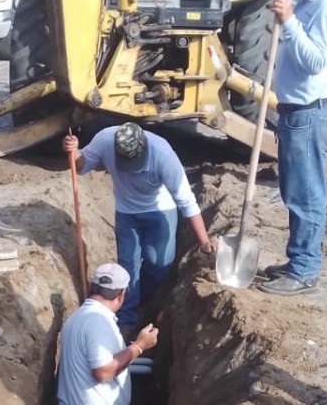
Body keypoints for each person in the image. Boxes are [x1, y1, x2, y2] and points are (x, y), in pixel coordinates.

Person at [258, 0, 327, 296]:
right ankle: (298, 258)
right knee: (293, 189)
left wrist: (290, 23)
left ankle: (305, 269)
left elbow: (316, 64)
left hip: (312, 113)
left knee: (306, 193)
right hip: (297, 113)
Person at [62, 123, 215, 333]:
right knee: (128, 268)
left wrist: (204, 241)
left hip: (160, 211)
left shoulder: (163, 155)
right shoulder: (105, 139)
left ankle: (144, 305)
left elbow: (187, 202)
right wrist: (74, 151)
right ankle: (126, 320)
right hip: (126, 212)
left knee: (159, 265)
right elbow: (81, 165)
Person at [57, 263, 159, 405]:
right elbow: (103, 372)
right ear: (121, 294)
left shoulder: (77, 317)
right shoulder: (97, 320)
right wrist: (139, 346)